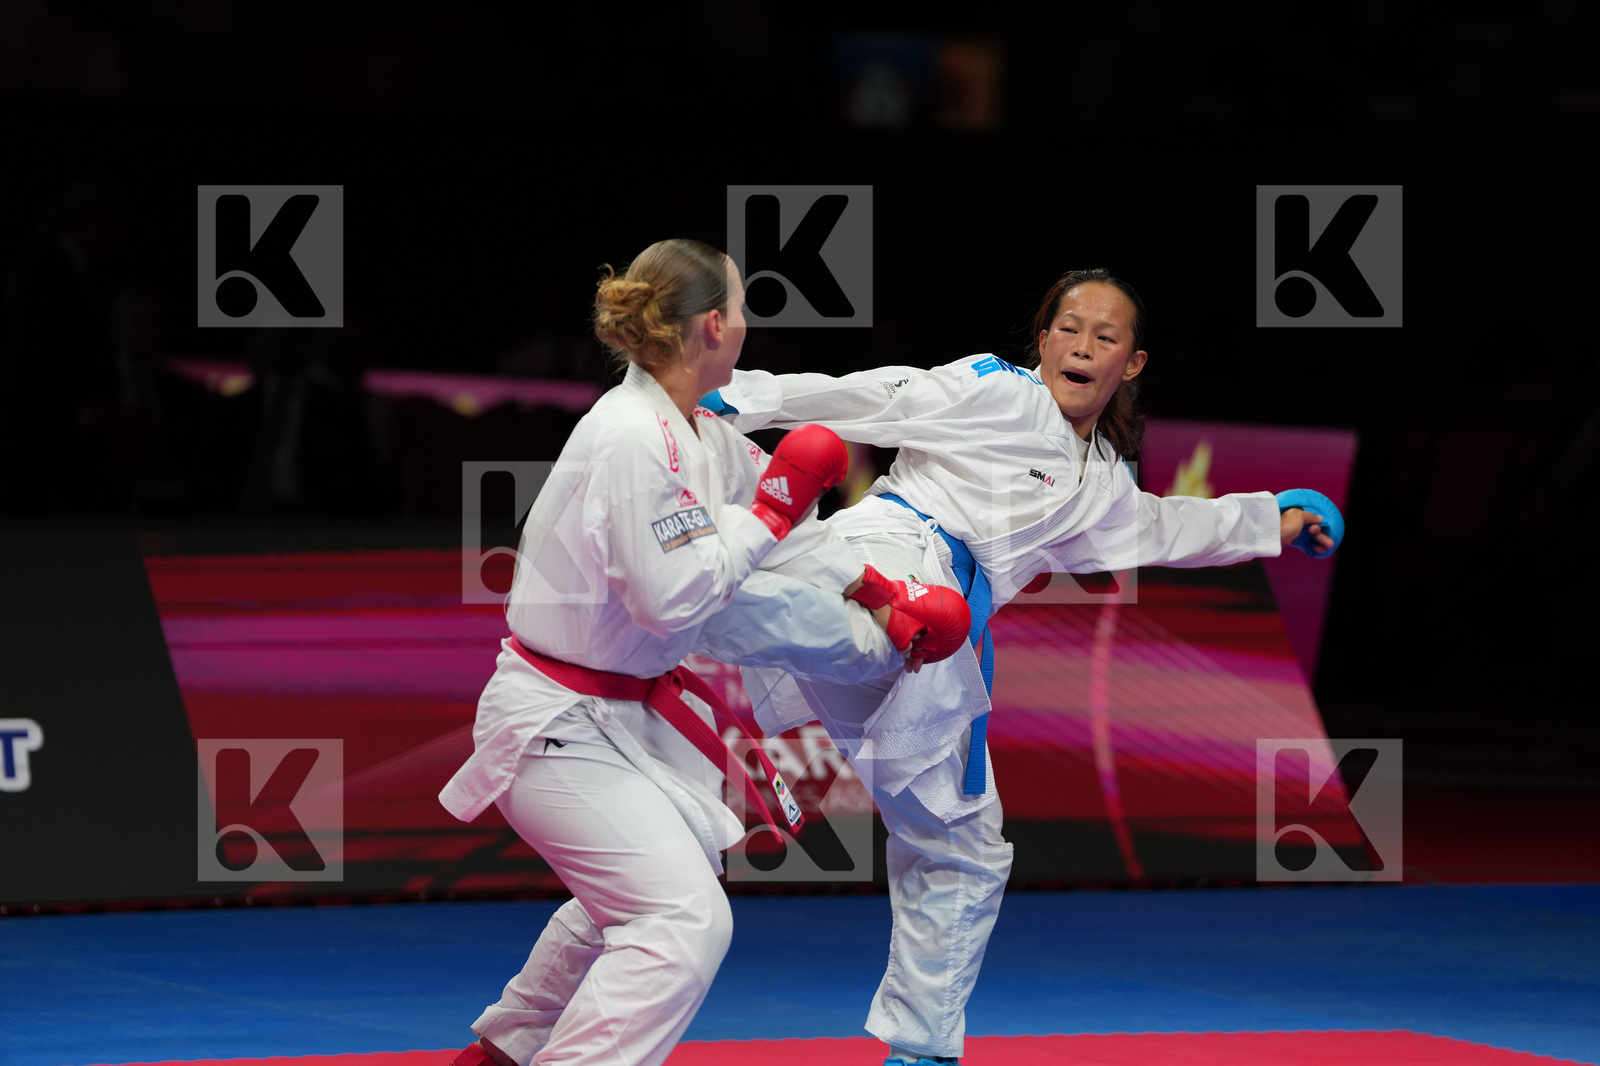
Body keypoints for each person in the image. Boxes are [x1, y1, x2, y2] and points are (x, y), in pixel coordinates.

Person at [701, 268, 1341, 1066]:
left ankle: (921, 1049)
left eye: (1104, 337)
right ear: (1041, 343)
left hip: (943, 645)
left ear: (1130, 365)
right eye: (1068, 328)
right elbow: (889, 394)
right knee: (856, 627)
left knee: (966, 847)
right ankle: (694, 603)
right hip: (890, 557)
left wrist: (1275, 520)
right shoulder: (999, 391)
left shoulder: (1102, 482)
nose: (1082, 345)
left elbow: (1165, 527)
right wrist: (746, 394)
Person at [437, 239, 969, 1066]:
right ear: (714, 326)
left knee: (646, 891)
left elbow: (795, 542)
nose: (753, 326)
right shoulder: (630, 437)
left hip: (620, 715)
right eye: (747, 309)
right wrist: (768, 515)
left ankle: (504, 1050)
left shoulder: (700, 431)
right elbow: (671, 597)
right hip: (558, 725)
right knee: (679, 920)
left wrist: (882, 594)